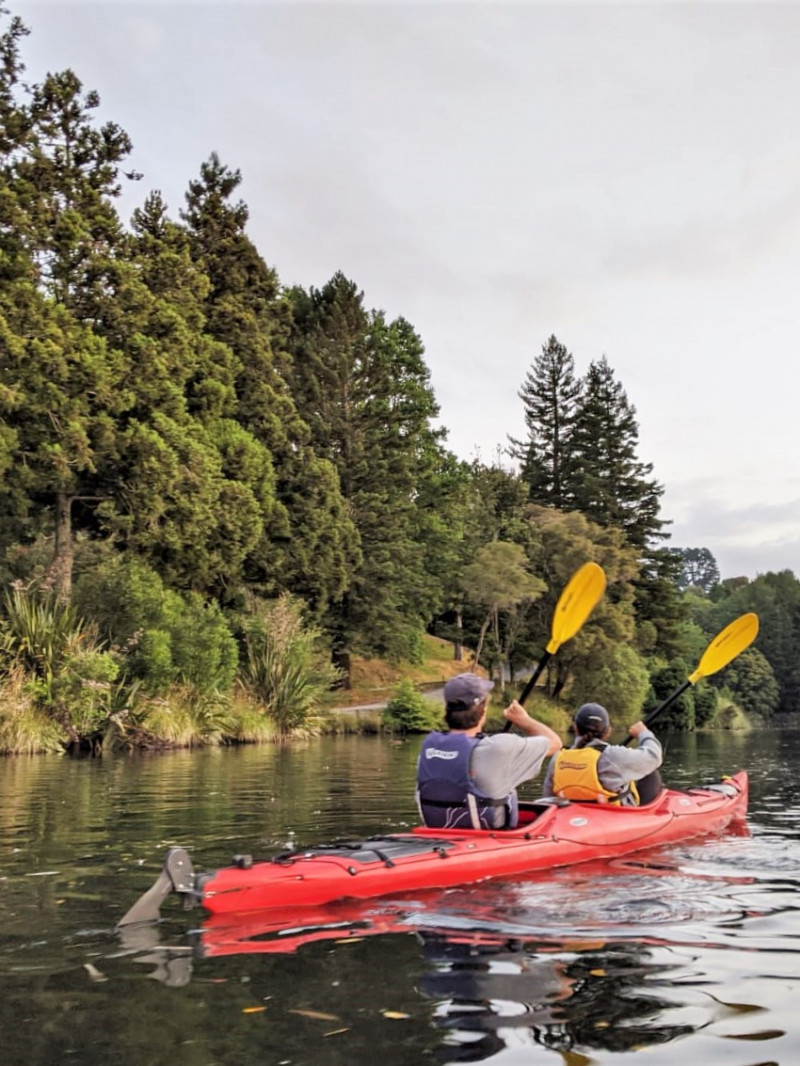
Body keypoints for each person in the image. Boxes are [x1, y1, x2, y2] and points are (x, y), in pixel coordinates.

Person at [416, 673, 562, 830]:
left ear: (447, 709)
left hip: (437, 836)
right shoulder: (498, 748)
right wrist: (523, 719)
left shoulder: (428, 748)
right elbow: (555, 743)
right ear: (483, 709)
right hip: (489, 836)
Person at [542, 702, 663, 806]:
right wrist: (643, 733)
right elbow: (654, 756)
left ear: (575, 727)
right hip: (614, 818)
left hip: (571, 818)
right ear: (608, 731)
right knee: (650, 773)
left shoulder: (558, 757)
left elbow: (548, 797)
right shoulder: (613, 755)